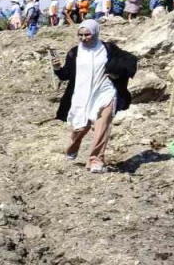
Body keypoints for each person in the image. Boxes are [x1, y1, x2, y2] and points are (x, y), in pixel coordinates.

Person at [53, 20, 137, 174]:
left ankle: (96, 160)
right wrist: (57, 68)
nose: (84, 38)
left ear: (96, 33)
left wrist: (115, 73)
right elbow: (65, 75)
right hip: (82, 95)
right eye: (80, 35)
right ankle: (73, 146)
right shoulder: (74, 52)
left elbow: (129, 61)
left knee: (102, 125)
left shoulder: (108, 49)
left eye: (87, 34)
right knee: (80, 127)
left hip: (105, 92)